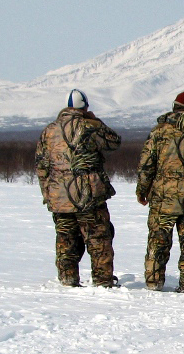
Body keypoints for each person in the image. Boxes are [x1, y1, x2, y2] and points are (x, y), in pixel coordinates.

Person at [35, 89, 121, 287]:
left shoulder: (49, 130)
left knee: (66, 238)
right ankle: (102, 280)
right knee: (98, 237)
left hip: (59, 196)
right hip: (88, 194)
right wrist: (95, 121)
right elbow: (113, 141)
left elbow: (41, 165)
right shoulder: (90, 126)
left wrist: (48, 193)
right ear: (85, 107)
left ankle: (67, 278)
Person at [136, 89, 184, 292]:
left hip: (163, 196)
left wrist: (142, 189)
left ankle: (154, 281)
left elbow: (147, 164)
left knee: (158, 240)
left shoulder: (160, 131)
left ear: (175, 106)